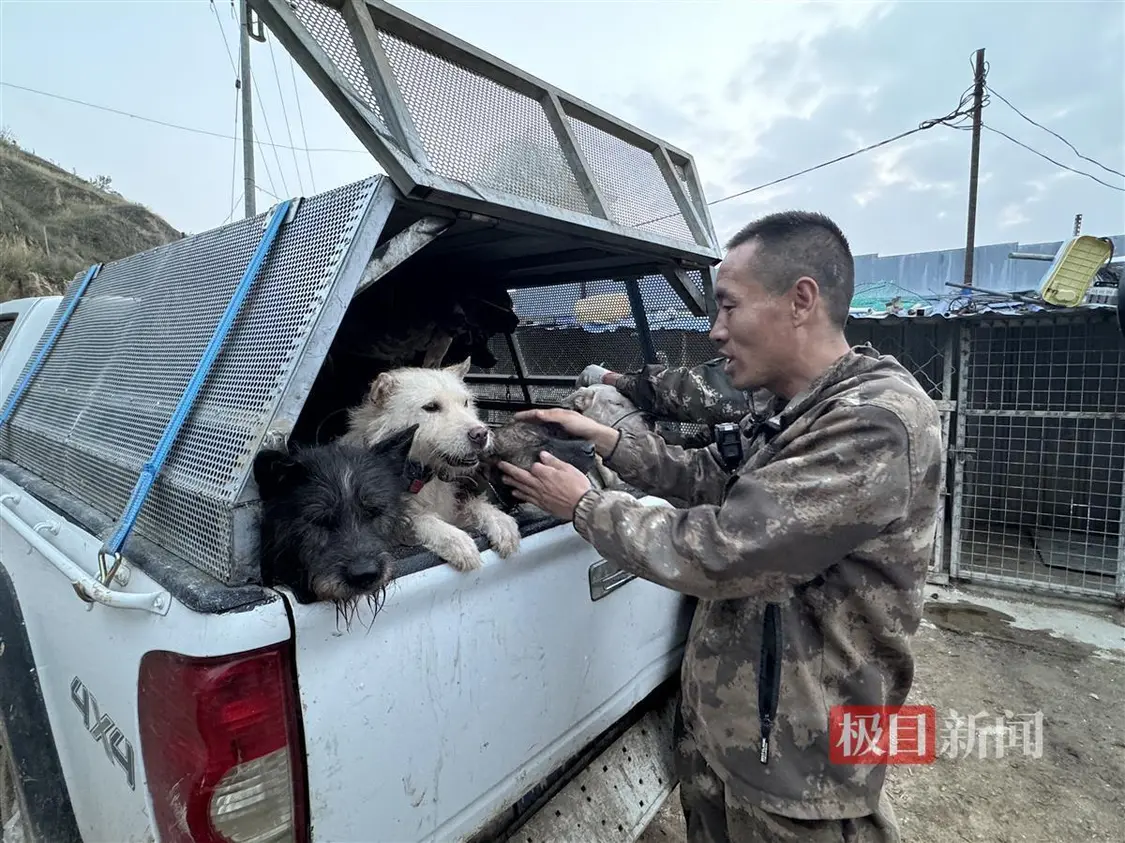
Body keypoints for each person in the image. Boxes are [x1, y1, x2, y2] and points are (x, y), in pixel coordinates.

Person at [498, 210, 943, 843]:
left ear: (801, 301)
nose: (714, 331)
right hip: (735, 732)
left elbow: (728, 549)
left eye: (729, 307)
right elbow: (715, 478)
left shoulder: (875, 422)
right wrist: (610, 441)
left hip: (799, 759)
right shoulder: (798, 406)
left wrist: (584, 505)